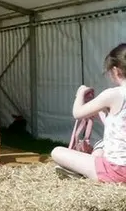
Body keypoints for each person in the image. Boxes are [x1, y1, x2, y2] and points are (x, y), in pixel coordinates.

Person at [51, 43, 126, 182]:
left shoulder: (113, 94)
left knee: (57, 152)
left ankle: (83, 175)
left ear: (116, 71)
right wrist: (103, 114)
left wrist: (80, 93)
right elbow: (119, 128)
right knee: (100, 146)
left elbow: (77, 113)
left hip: (118, 171)